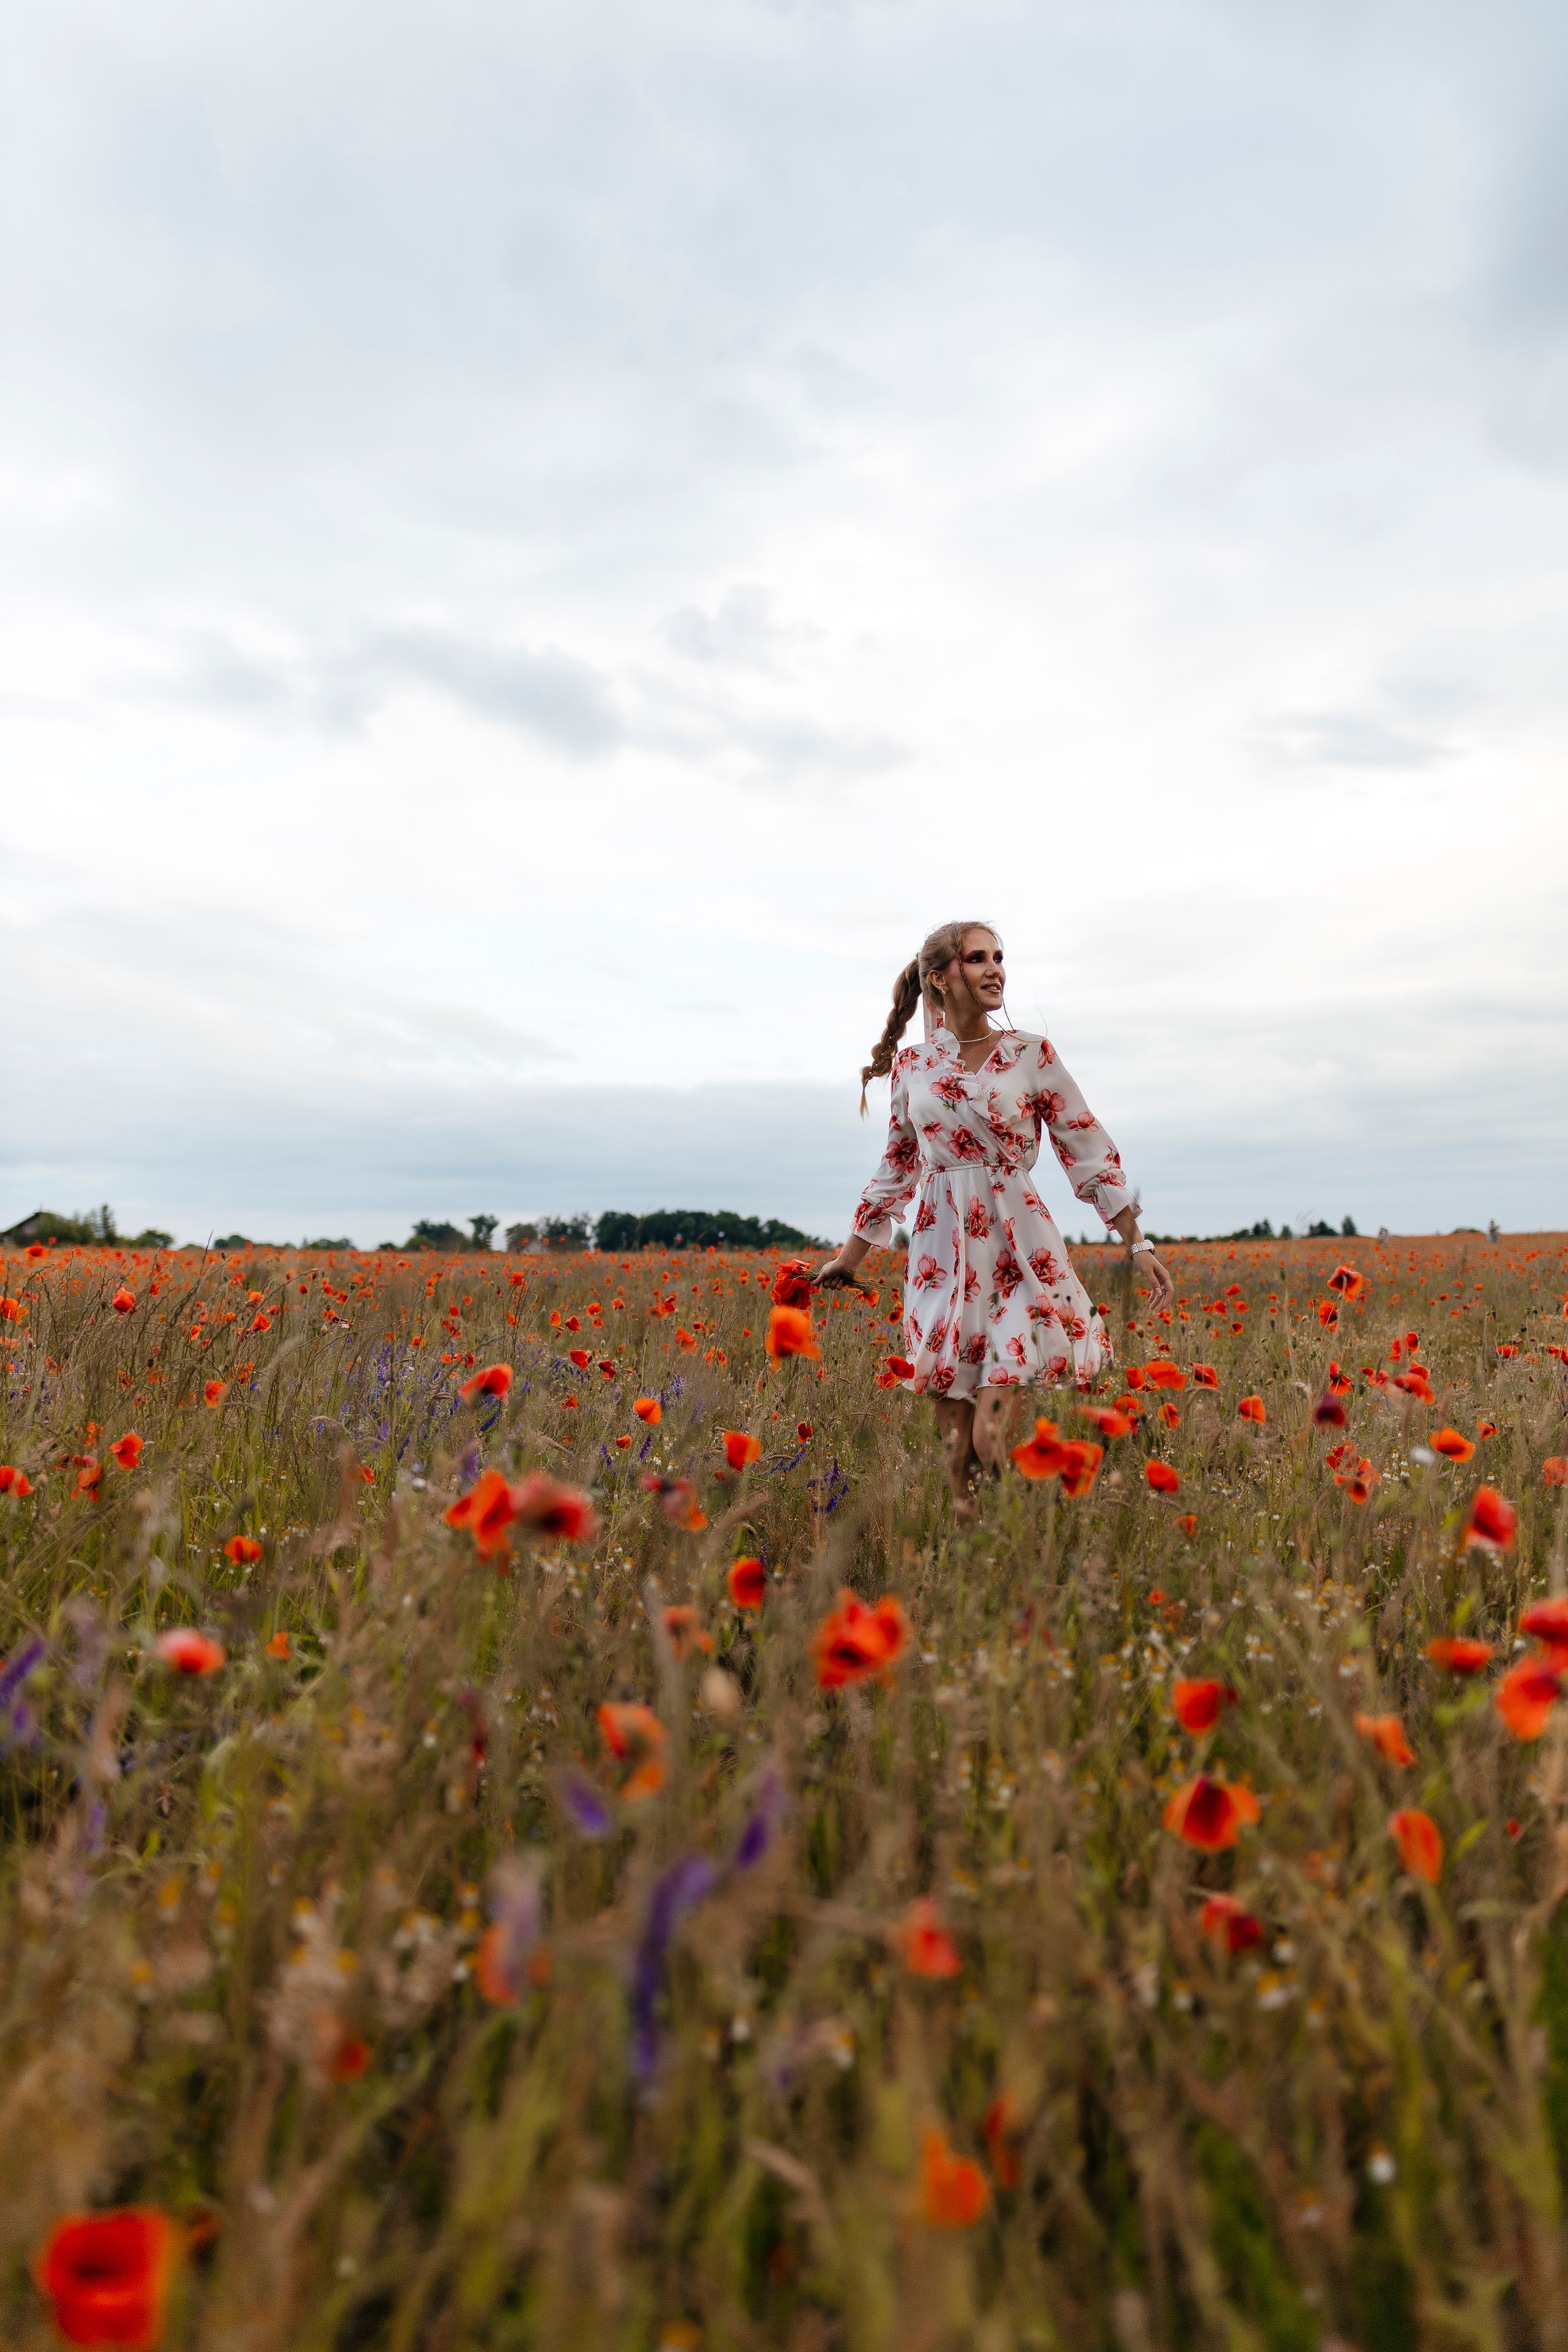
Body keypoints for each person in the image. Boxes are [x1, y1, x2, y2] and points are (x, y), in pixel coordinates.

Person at [815, 921, 1174, 1524]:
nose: (995, 970)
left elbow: (1086, 1148)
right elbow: (896, 1169)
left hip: (1018, 1255)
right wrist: (848, 1261)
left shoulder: (1032, 1055)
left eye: (999, 957)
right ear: (939, 978)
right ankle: (981, 1560)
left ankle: (1044, 1533)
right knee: (958, 1453)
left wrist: (1138, 1244)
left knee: (992, 1439)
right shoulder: (912, 1067)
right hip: (940, 1261)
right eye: (978, 958)